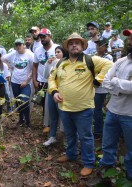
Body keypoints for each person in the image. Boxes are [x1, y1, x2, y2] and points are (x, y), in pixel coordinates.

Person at [48, 32, 113, 176]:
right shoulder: (61, 63)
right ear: (67, 47)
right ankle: (71, 154)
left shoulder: (90, 60)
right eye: (71, 43)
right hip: (64, 107)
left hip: (83, 109)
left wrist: (98, 80)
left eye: (77, 43)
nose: (74, 45)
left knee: (86, 137)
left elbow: (110, 64)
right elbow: (52, 78)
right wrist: (54, 92)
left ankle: (89, 162)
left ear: (82, 46)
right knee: (70, 134)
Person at [99, 29, 132, 181]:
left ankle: (129, 177)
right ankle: (106, 175)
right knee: (108, 146)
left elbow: (114, 83)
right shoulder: (120, 61)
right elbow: (106, 82)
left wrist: (116, 83)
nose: (130, 41)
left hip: (130, 115)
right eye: (129, 38)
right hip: (113, 111)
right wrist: (121, 88)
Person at [2, 38, 34, 128]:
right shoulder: (13, 54)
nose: (18, 46)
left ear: (23, 45)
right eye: (16, 45)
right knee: (17, 102)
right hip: (15, 81)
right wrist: (10, 66)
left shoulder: (30, 54)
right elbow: (3, 58)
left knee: (25, 101)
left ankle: (27, 121)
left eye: (20, 44)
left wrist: (27, 80)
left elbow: (34, 68)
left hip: (26, 82)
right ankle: (21, 119)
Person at [32, 28, 59, 133]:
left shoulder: (57, 48)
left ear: (50, 36)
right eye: (40, 37)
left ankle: (57, 125)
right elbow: (34, 66)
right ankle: (47, 124)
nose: (42, 39)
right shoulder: (38, 50)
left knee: (56, 103)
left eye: (44, 36)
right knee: (44, 104)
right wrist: (34, 80)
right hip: (41, 81)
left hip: (55, 81)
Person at [43, 46, 67, 146]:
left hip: (62, 94)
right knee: (53, 116)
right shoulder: (52, 63)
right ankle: (52, 136)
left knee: (64, 117)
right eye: (55, 52)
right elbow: (46, 76)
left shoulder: (67, 64)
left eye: (58, 52)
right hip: (51, 92)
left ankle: (67, 139)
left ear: (64, 53)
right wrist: (48, 64)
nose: (56, 54)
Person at [93, 37, 113, 139]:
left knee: (97, 109)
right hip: (93, 87)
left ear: (105, 46)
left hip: (101, 88)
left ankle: (98, 131)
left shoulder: (108, 57)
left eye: (100, 44)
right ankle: (97, 129)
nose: (97, 46)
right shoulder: (94, 56)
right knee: (95, 109)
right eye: (97, 44)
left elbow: (103, 71)